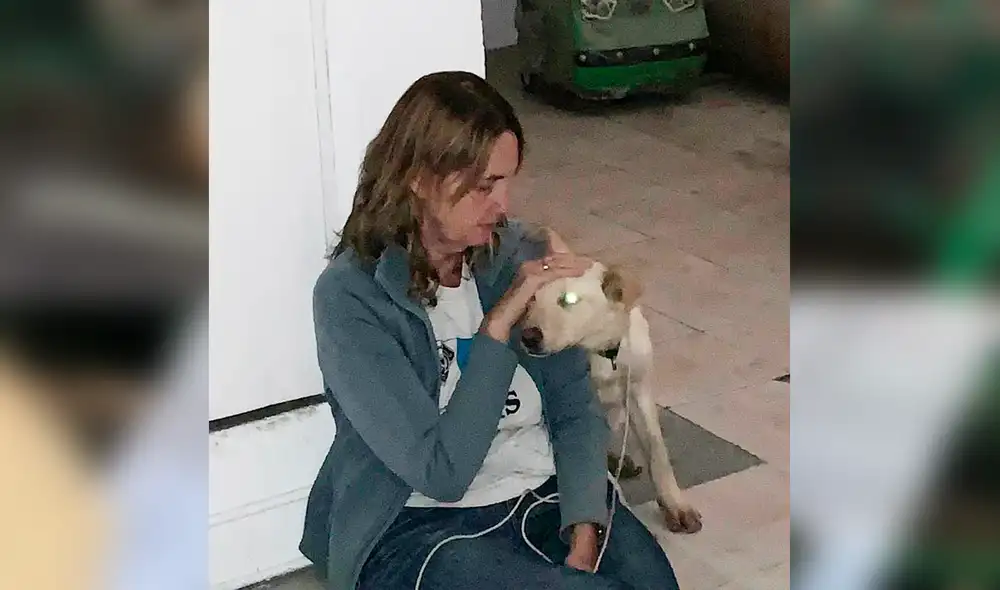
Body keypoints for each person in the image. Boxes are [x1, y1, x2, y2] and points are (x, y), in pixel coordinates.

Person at [300, 70, 681, 590]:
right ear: (418, 178)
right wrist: (497, 329)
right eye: (484, 187)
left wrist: (586, 526)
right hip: (417, 524)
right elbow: (442, 475)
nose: (502, 204)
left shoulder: (515, 252)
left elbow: (574, 408)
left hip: (539, 492)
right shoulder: (351, 298)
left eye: (507, 181)